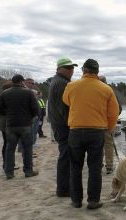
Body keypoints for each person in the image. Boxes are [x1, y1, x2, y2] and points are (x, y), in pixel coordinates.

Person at [63, 59, 119, 209]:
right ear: (97, 72)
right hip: (96, 132)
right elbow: (113, 113)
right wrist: (109, 128)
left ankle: (76, 200)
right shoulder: (106, 89)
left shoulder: (71, 86)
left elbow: (66, 101)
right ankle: (93, 200)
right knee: (95, 168)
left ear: (83, 70)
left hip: (75, 131)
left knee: (75, 167)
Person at [0, 74, 39, 179]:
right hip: (25, 124)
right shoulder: (28, 93)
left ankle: (9, 173)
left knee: (10, 149)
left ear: (13, 82)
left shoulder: (4, 93)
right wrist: (29, 117)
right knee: (27, 148)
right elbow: (35, 109)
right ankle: (28, 171)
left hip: (10, 125)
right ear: (22, 81)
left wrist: (8, 113)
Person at [48, 57, 78, 197]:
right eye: (68, 67)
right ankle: (63, 189)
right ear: (59, 69)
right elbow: (64, 109)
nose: (71, 70)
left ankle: (64, 187)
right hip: (64, 126)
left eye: (72, 67)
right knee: (66, 157)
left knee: (65, 156)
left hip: (60, 124)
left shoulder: (60, 81)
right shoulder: (61, 84)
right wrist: (73, 125)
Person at [98, 75, 122, 174]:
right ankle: (109, 166)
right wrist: (113, 119)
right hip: (107, 124)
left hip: (97, 124)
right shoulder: (110, 92)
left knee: (98, 145)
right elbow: (119, 109)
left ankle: (99, 164)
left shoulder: (95, 93)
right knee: (108, 145)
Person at [0, 81, 13, 170]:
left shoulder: (2, 96)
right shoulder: (3, 97)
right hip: (5, 123)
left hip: (4, 122)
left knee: (7, 144)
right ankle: (6, 164)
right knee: (7, 144)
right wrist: (9, 113)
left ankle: (8, 164)